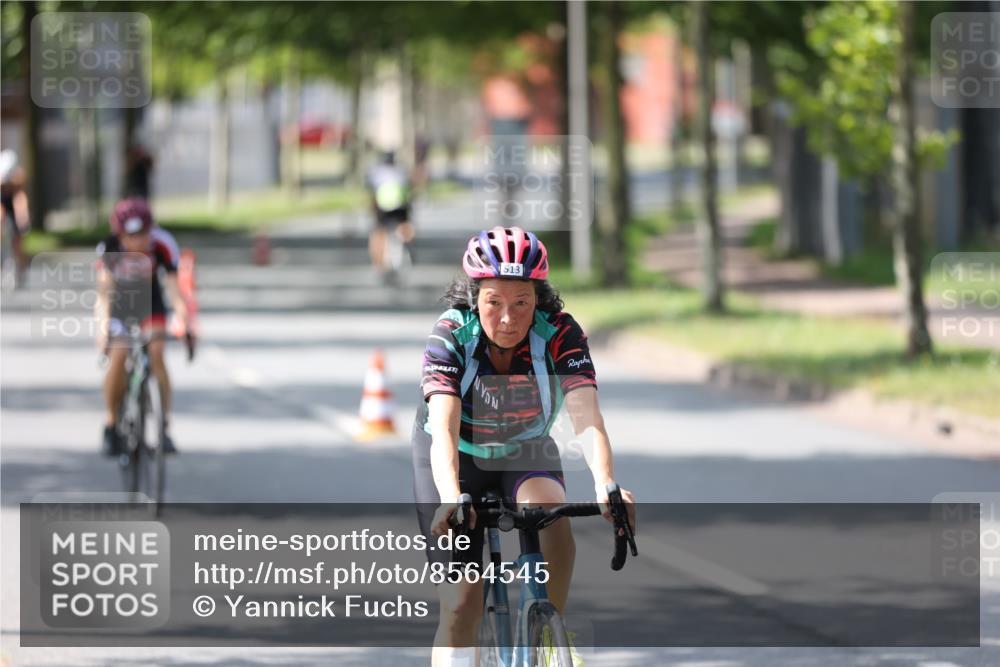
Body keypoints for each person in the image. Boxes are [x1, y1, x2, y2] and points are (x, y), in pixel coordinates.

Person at [412, 226, 637, 665]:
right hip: (456, 452)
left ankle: (549, 632)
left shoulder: (560, 333)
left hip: (523, 446)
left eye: (522, 303)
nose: (509, 318)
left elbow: (586, 414)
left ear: (539, 298)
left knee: (551, 513)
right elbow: (442, 424)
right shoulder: (451, 334)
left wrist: (606, 484)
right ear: (475, 297)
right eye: (494, 302)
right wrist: (449, 497)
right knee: (461, 604)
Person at [95, 197, 187, 457]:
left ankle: (163, 424)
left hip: (150, 302)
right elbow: (104, 292)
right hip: (120, 304)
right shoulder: (110, 247)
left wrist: (182, 317)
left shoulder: (162, 244)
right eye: (132, 235)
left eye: (144, 233)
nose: (139, 240)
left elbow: (173, 286)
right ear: (120, 233)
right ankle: (111, 422)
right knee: (119, 354)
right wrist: (103, 327)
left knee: (157, 352)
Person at [365, 150, 415, 273]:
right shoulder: (401, 171)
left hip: (383, 209)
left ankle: (378, 262)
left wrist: (371, 209)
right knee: (406, 225)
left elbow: (372, 194)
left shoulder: (376, 173)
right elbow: (409, 191)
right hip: (401, 208)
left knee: (378, 232)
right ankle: (408, 245)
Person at [0, 149, 31, 288]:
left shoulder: (18, 177)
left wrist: (23, 219)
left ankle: (20, 267)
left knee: (17, 240)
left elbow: (20, 201)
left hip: (13, 203)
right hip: (3, 202)